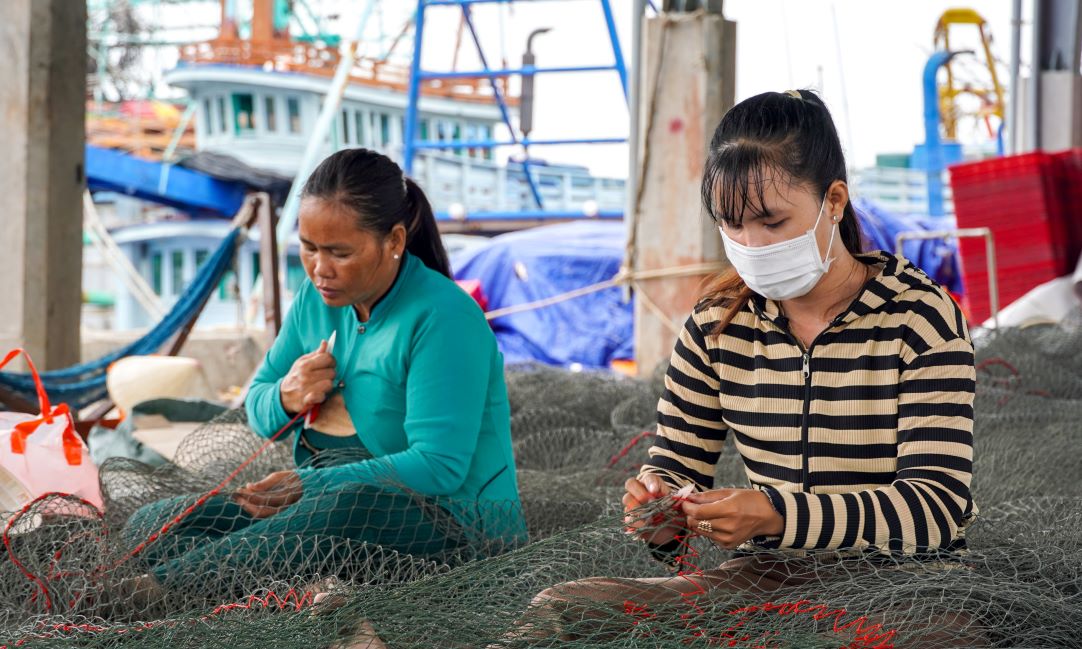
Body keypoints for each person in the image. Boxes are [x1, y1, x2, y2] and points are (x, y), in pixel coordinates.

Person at [518, 90, 980, 646]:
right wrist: (659, 510)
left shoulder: (920, 319)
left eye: (772, 222)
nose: (751, 244)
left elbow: (936, 509)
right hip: (765, 578)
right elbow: (675, 467)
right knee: (566, 608)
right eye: (731, 225)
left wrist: (776, 515)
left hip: (907, 590)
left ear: (834, 201)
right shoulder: (717, 326)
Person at [118, 148, 526, 612]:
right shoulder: (317, 301)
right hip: (327, 501)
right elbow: (257, 404)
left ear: (394, 240)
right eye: (309, 248)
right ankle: (212, 593)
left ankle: (156, 594)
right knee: (156, 523)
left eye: (340, 253)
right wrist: (286, 398)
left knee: (348, 506)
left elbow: (438, 467)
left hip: (452, 528)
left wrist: (307, 485)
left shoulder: (444, 317)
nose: (319, 269)